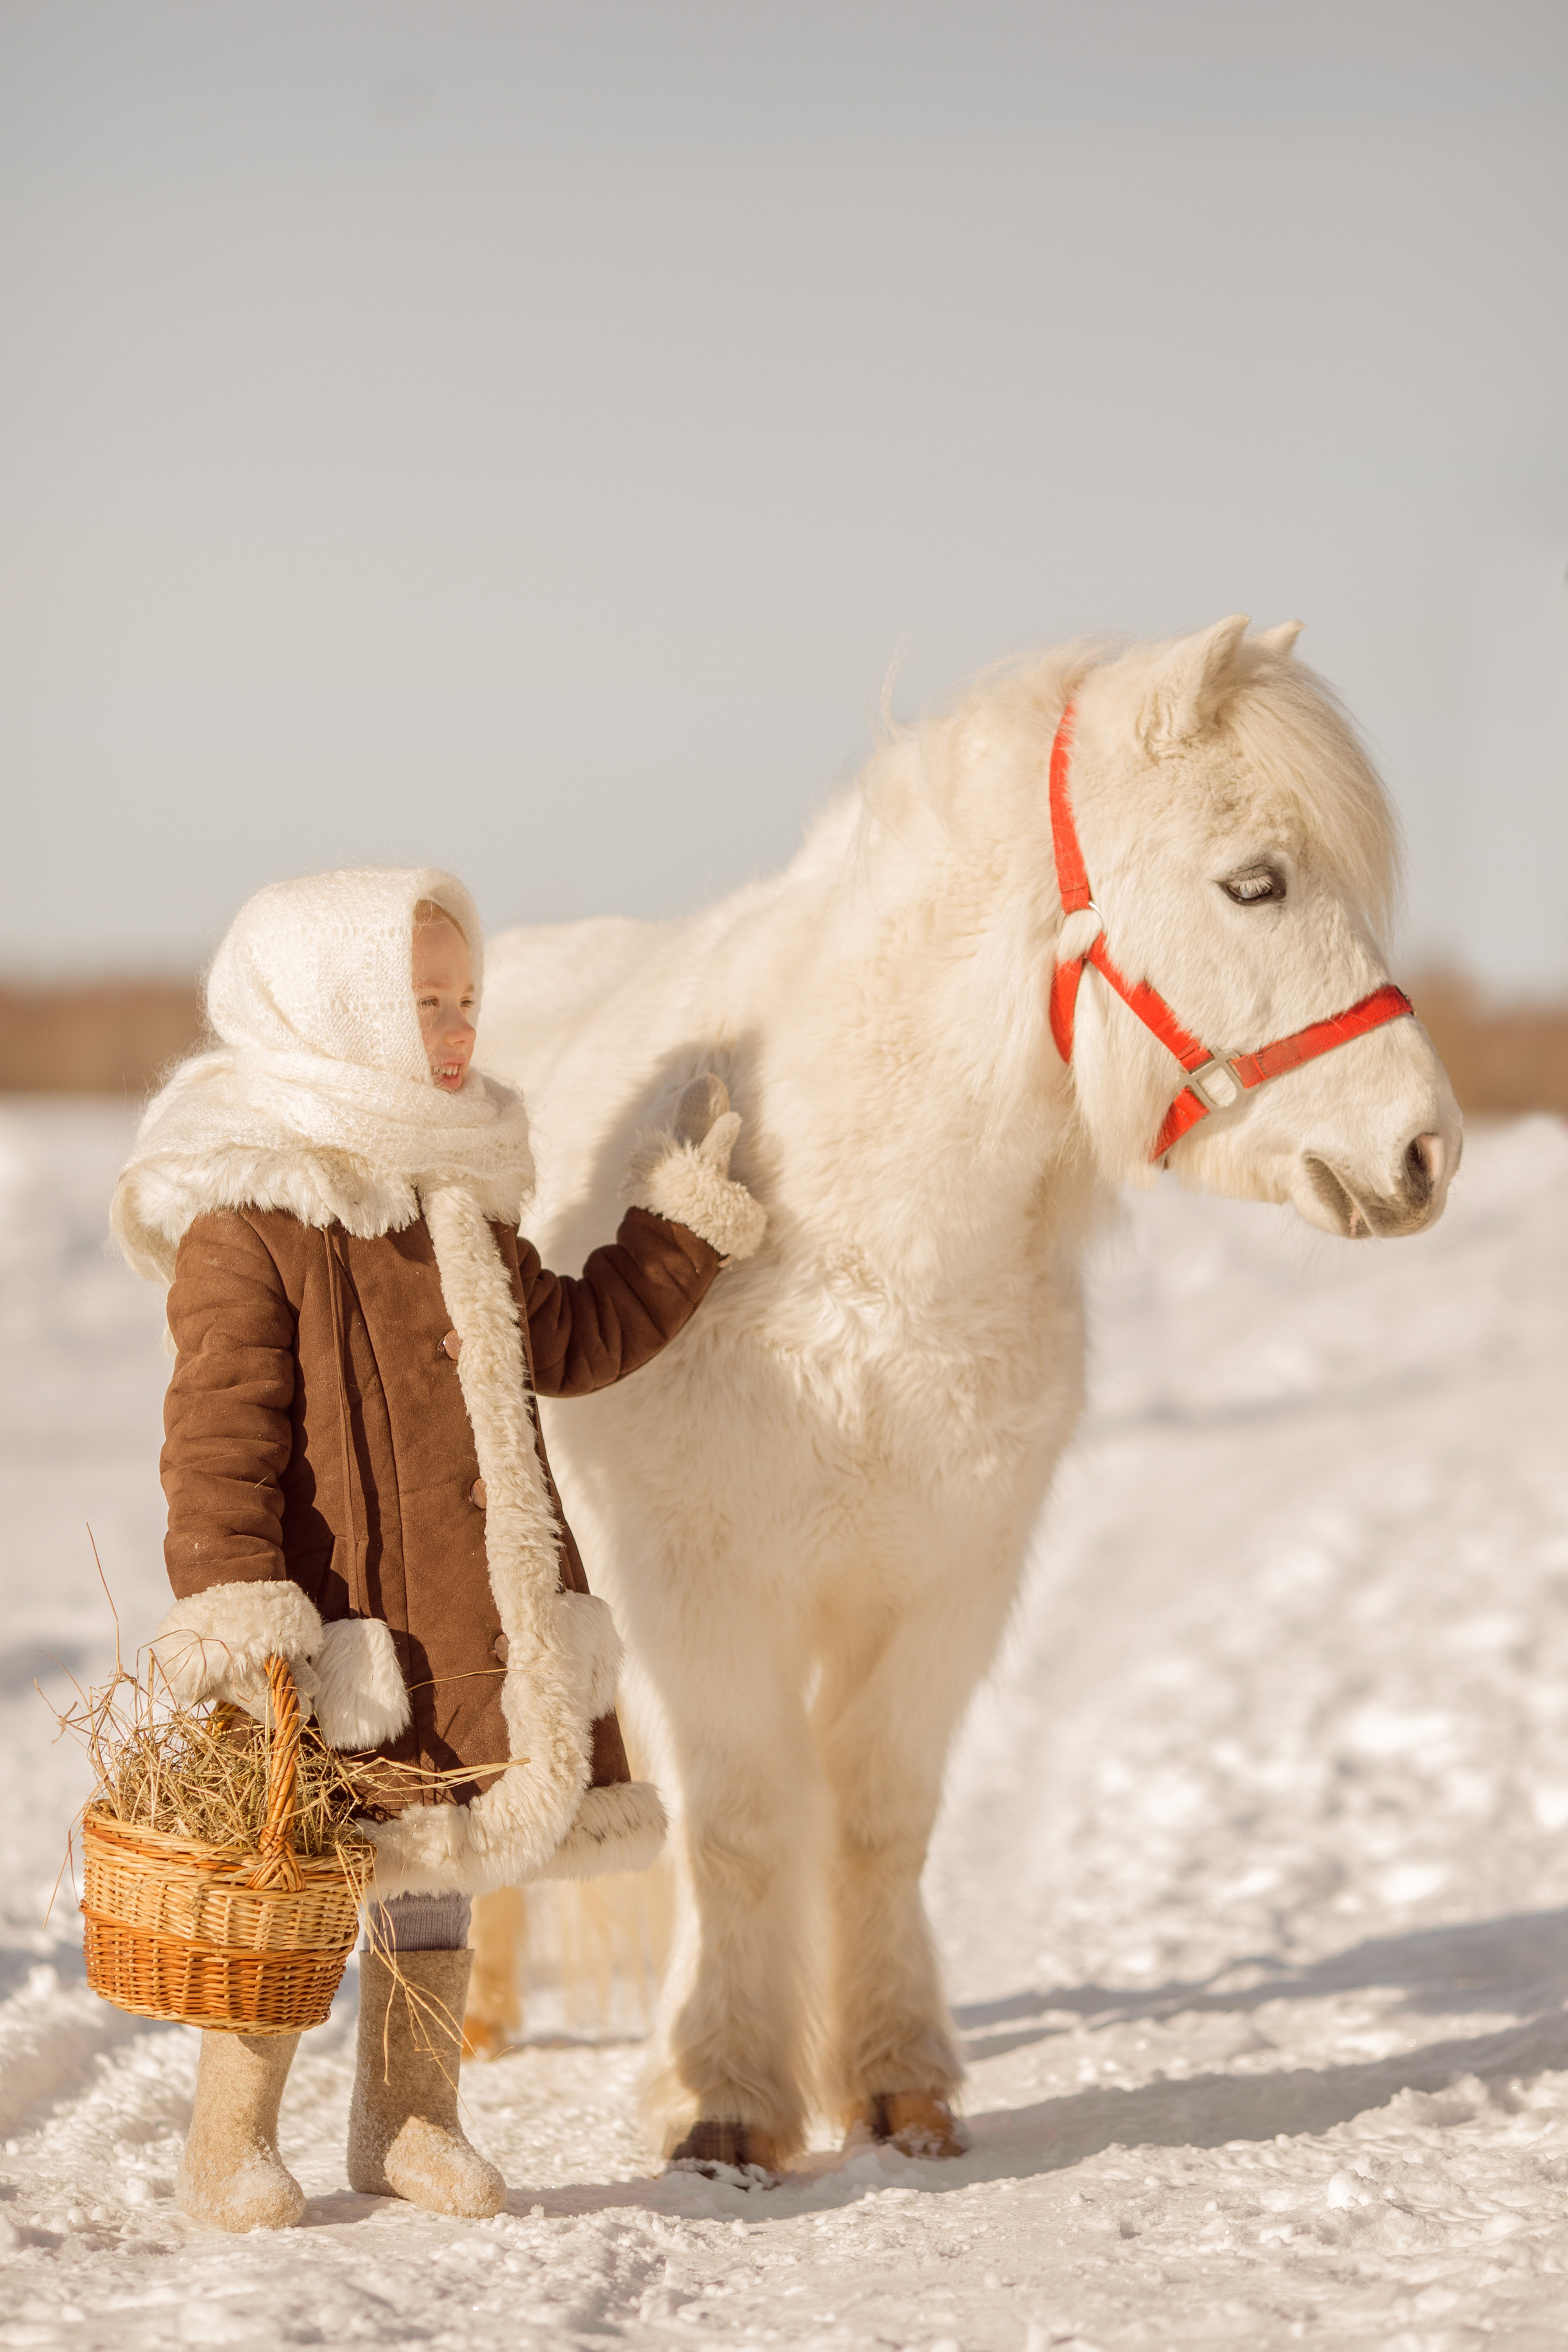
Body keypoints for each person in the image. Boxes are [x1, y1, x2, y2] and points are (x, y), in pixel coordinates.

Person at [111, 866, 764, 2231]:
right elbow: (218, 1439)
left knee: (437, 1874)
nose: (460, 1032)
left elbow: (571, 1342)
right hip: (333, 1627)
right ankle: (228, 2140)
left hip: (464, 1616)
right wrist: (237, 1610)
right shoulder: (249, 1216)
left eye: (467, 1002)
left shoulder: (454, 1192)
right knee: (289, 1882)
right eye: (422, 1006)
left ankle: (408, 2122)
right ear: (332, 1010)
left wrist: (680, 1232)